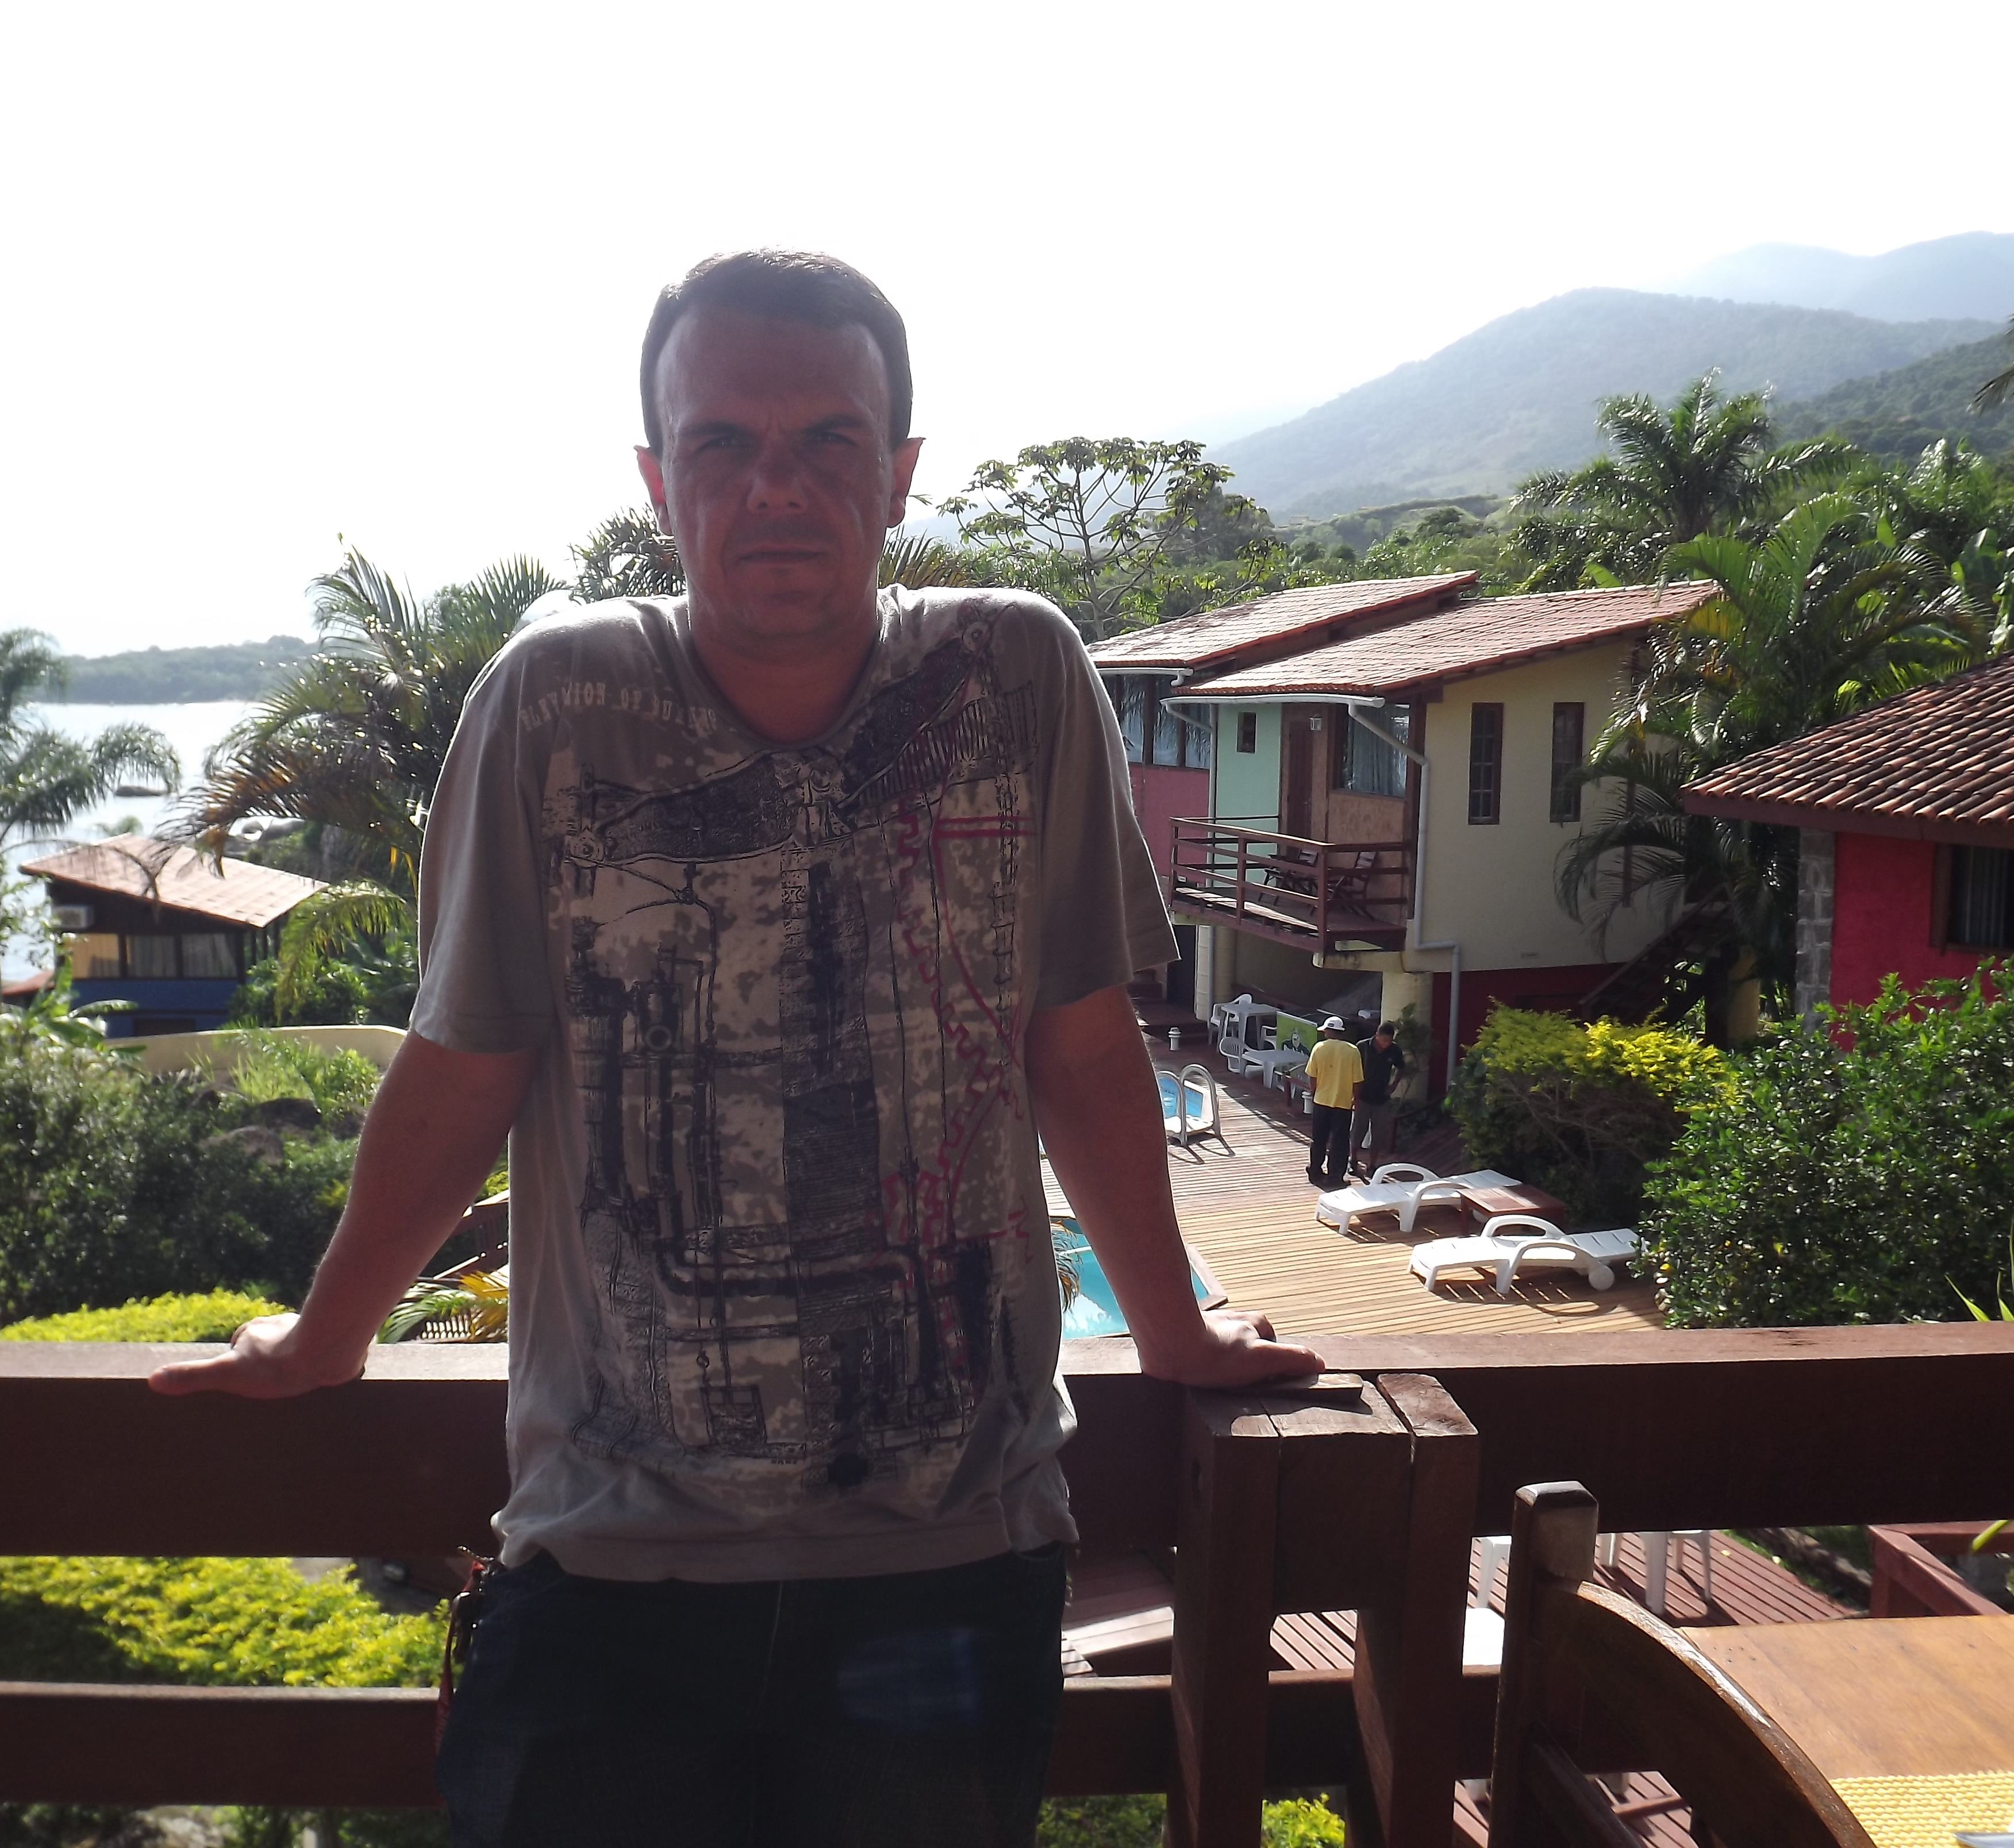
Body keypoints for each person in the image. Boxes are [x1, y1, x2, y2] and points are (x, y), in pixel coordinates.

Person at [149, 249, 1321, 1848]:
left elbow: (1077, 1037)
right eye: (722, 443)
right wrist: (328, 1336)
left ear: (899, 472)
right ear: (657, 478)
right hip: (610, 1559)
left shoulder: (1013, 674)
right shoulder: (553, 704)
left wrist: (1169, 1326)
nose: (777, 486)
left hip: (948, 1554)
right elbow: (466, 1060)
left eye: (829, 439)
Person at [1303, 1014, 1362, 1188]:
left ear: (1329, 1031)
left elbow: (1312, 1076)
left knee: (1318, 1138)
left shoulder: (1319, 1048)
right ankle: (1335, 1176)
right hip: (1343, 1103)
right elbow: (1358, 1080)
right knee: (1340, 1141)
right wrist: (1356, 1099)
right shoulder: (1353, 1051)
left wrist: (1315, 1092)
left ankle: (1315, 1170)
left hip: (1322, 1100)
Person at [1350, 1019, 1407, 1181]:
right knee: (1358, 1131)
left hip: (1382, 1099)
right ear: (1377, 1036)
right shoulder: (1362, 1047)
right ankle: (1353, 1160)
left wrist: (1393, 1085)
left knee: (1378, 1134)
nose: (1386, 1044)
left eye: (1389, 1041)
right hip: (1363, 1097)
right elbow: (1352, 1069)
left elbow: (1401, 1067)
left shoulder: (1394, 1050)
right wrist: (1354, 1095)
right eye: (1384, 1040)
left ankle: (1372, 1165)